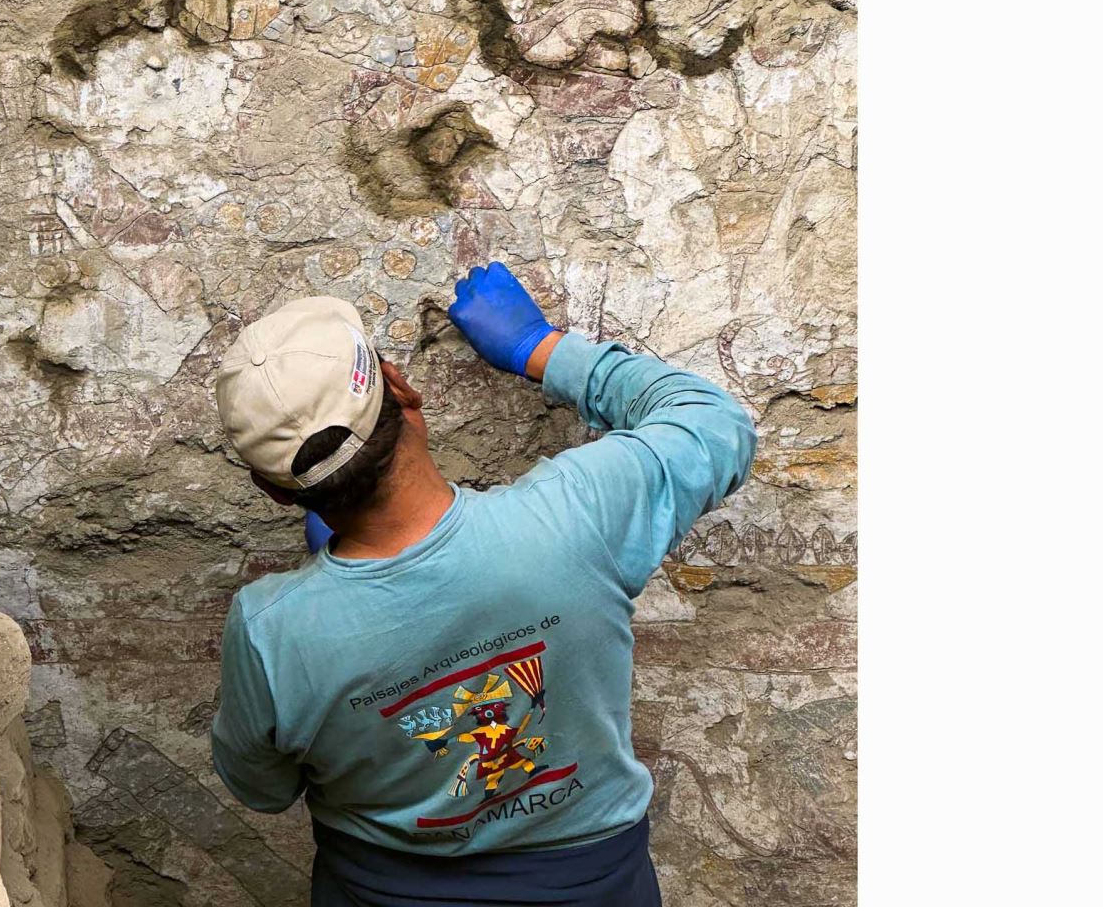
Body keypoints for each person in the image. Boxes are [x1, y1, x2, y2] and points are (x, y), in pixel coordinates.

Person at [210, 263, 758, 906]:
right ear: (401, 390)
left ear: (273, 489)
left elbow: (263, 788)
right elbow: (717, 424)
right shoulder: (576, 516)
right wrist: (539, 347)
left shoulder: (270, 628)